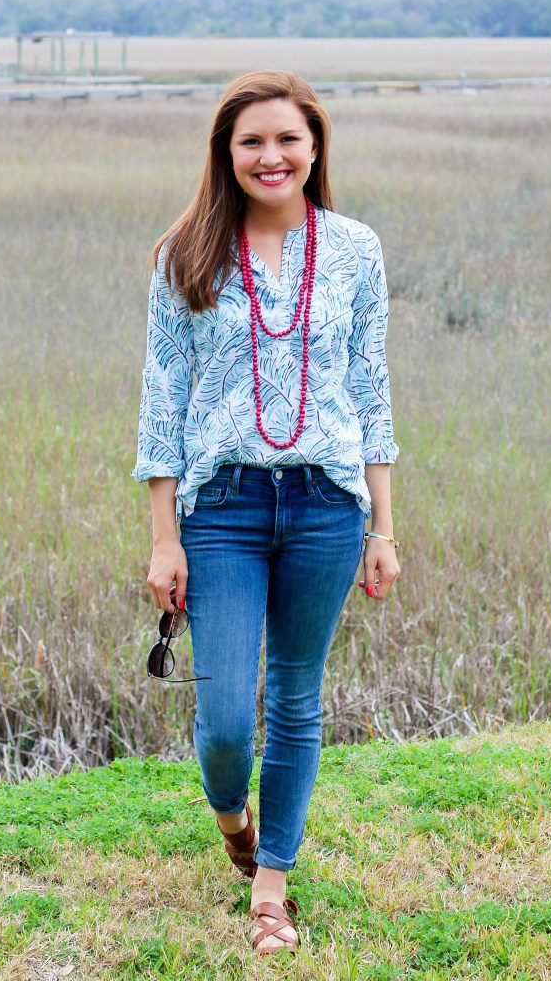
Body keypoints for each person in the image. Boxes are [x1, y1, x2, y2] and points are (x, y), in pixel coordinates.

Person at [132, 69, 401, 957]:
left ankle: (272, 890)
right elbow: (162, 400)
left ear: (314, 146)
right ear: (227, 152)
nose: (271, 156)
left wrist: (383, 528)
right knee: (223, 724)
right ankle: (231, 818)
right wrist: (164, 537)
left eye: (288, 139)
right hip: (225, 507)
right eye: (252, 141)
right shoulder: (187, 252)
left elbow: (371, 390)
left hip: (328, 504)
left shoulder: (356, 250)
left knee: (294, 698)